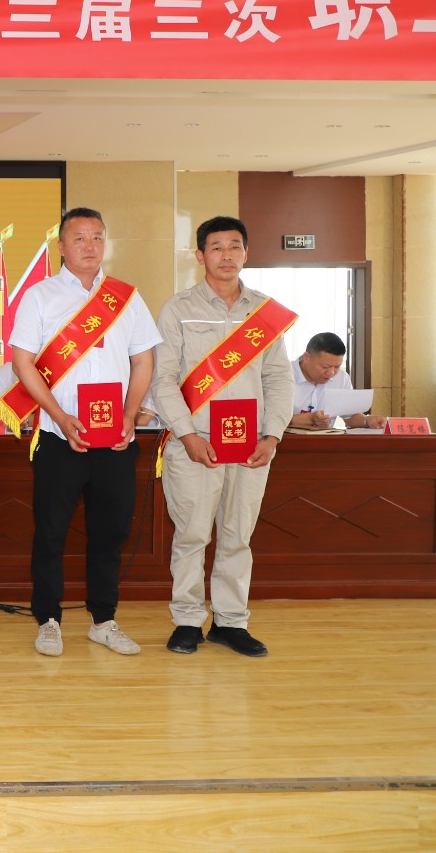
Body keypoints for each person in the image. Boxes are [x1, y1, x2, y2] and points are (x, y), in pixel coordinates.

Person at [3, 207, 160, 658]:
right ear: (61, 246)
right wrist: (57, 415)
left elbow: (143, 361)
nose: (89, 246)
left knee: (111, 532)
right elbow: (23, 362)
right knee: (50, 532)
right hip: (59, 437)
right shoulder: (40, 296)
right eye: (79, 238)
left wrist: (129, 415)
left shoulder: (126, 297)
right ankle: (48, 620)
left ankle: (103, 620)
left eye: (97, 237)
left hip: (116, 439)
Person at [152, 215, 296, 658]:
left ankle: (231, 623)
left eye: (235, 246)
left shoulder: (264, 311)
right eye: (216, 247)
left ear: (246, 253)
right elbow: (163, 380)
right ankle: (187, 621)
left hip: (251, 446)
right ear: (200, 256)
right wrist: (186, 434)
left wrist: (272, 436)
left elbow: (279, 378)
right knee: (192, 536)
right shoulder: (178, 309)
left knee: (237, 537)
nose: (226, 255)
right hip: (195, 444)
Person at [290, 332, 385, 430]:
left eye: (337, 367)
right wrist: (310, 418)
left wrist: (367, 420)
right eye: (325, 367)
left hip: (326, 438)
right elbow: (278, 418)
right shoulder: (283, 376)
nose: (331, 373)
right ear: (307, 358)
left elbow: (349, 416)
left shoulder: (342, 378)